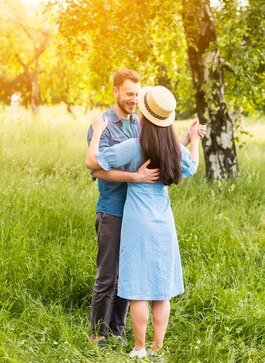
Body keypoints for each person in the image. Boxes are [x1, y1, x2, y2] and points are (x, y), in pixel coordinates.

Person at [86, 85, 202, 358]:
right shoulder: (173, 149)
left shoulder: (134, 146)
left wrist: (99, 132)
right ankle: (156, 349)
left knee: (138, 289)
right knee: (162, 291)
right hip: (164, 223)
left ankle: (138, 348)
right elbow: (192, 166)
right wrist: (192, 140)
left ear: (144, 114)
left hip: (137, 223)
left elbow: (92, 161)